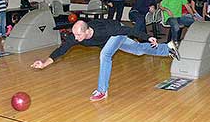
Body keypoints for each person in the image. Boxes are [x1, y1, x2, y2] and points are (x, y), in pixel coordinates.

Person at [31, 20, 179, 102]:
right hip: (113, 37)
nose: (75, 38)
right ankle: (168, 48)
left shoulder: (105, 29)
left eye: (78, 35)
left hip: (117, 31)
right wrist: (44, 63)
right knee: (139, 50)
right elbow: (61, 50)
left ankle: (102, 91)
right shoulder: (74, 36)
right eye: (74, 34)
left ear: (87, 31)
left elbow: (128, 30)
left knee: (105, 55)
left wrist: (147, 37)